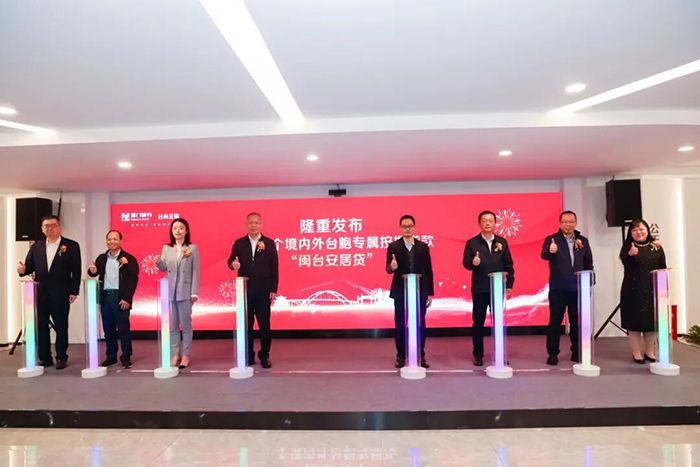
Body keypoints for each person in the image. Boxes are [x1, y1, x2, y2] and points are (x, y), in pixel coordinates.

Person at [17, 215, 81, 369]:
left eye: (53, 225)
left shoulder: (71, 245)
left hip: (61, 292)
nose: (49, 228)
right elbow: (29, 266)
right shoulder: (37, 246)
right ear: (42, 229)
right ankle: (45, 357)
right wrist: (23, 270)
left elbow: (76, 270)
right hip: (40, 293)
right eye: (46, 226)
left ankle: (61, 357)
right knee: (41, 326)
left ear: (59, 227)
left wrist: (74, 291)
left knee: (61, 325)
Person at [540, 210, 593, 366]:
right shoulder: (552, 239)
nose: (567, 224)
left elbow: (588, 263)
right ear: (560, 223)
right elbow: (543, 255)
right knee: (555, 322)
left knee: (576, 323)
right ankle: (552, 354)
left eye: (571, 221)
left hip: (578, 288)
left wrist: (589, 282)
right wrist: (550, 250)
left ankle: (577, 351)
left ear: (575, 223)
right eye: (564, 222)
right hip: (558, 289)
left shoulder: (583, 241)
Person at [462, 210, 515, 366]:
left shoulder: (502, 242)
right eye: (484, 221)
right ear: (479, 223)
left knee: (498, 322)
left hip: (497, 288)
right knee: (478, 322)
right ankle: (478, 354)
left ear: (495, 223)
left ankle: (500, 353)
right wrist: (473, 263)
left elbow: (509, 265)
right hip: (480, 288)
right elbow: (465, 263)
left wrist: (509, 285)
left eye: (490, 220)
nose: (487, 223)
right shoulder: (472, 243)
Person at [227, 212, 279, 369]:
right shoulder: (239, 243)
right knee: (246, 325)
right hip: (245, 291)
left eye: (256, 223)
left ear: (261, 224)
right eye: (250, 223)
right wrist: (233, 265)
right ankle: (248, 355)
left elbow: (274, 268)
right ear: (246, 224)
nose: (253, 225)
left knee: (264, 325)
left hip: (264, 291)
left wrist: (273, 289)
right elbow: (231, 260)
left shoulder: (269, 243)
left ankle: (264, 355)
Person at [386, 214, 434, 369]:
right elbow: (388, 268)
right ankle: (401, 356)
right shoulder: (393, 246)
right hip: (400, 291)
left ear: (414, 227)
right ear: (400, 228)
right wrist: (392, 266)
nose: (407, 229)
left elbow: (428, 270)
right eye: (404, 226)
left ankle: (420, 355)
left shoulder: (423, 247)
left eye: (410, 226)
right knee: (400, 323)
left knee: (420, 323)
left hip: (420, 291)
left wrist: (430, 292)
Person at [87, 230, 139, 368]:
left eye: (115, 239)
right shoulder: (102, 258)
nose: (112, 242)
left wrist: (127, 298)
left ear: (121, 241)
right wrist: (92, 271)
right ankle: (111, 356)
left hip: (120, 297)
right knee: (108, 328)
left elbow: (133, 279)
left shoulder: (128, 258)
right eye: (109, 239)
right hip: (105, 297)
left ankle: (126, 356)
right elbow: (94, 272)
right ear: (106, 241)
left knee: (123, 329)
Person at [619, 219, 666, 364]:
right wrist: (631, 255)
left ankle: (650, 352)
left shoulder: (656, 246)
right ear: (631, 233)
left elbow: (663, 267)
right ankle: (637, 353)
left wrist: (664, 286)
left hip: (652, 289)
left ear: (647, 230)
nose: (639, 232)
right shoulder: (628, 247)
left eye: (641, 229)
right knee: (633, 322)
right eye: (635, 230)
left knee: (651, 323)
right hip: (632, 290)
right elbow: (625, 263)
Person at [155, 218, 200, 369]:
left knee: (186, 325)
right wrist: (158, 262)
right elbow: (163, 268)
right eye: (175, 228)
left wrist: (194, 292)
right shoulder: (167, 248)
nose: (178, 231)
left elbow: (195, 271)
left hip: (185, 292)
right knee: (172, 326)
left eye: (181, 228)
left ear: (186, 231)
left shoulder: (192, 248)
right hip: (169, 292)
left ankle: (186, 354)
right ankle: (175, 354)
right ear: (171, 231)